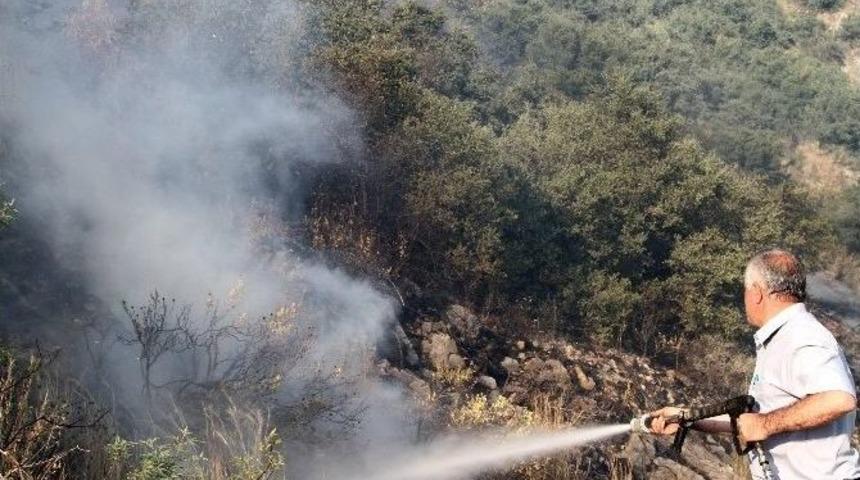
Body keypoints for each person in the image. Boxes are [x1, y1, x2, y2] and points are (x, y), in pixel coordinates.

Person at [649, 249, 860, 479]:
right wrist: (686, 418)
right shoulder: (782, 338)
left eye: (746, 290)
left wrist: (766, 424)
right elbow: (753, 421)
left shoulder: (802, 337)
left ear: (757, 293)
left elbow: (839, 399)